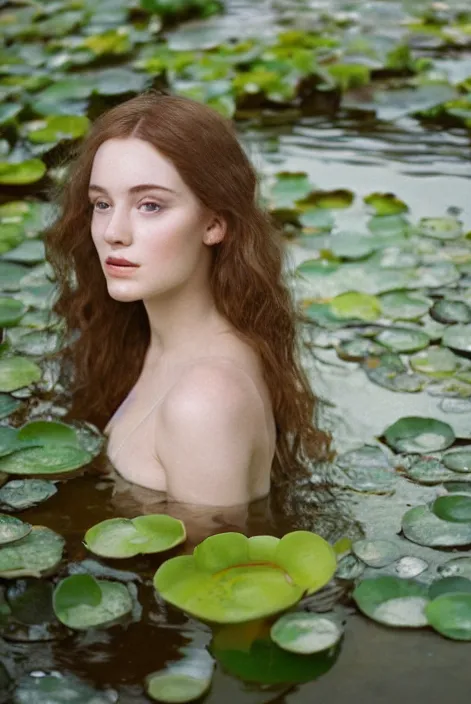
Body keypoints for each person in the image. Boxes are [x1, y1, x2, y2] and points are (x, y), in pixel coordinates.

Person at [45, 89, 331, 508]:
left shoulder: (205, 401)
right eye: (102, 203)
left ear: (214, 223)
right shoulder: (155, 340)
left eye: (150, 206)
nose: (113, 231)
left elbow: (214, 571)